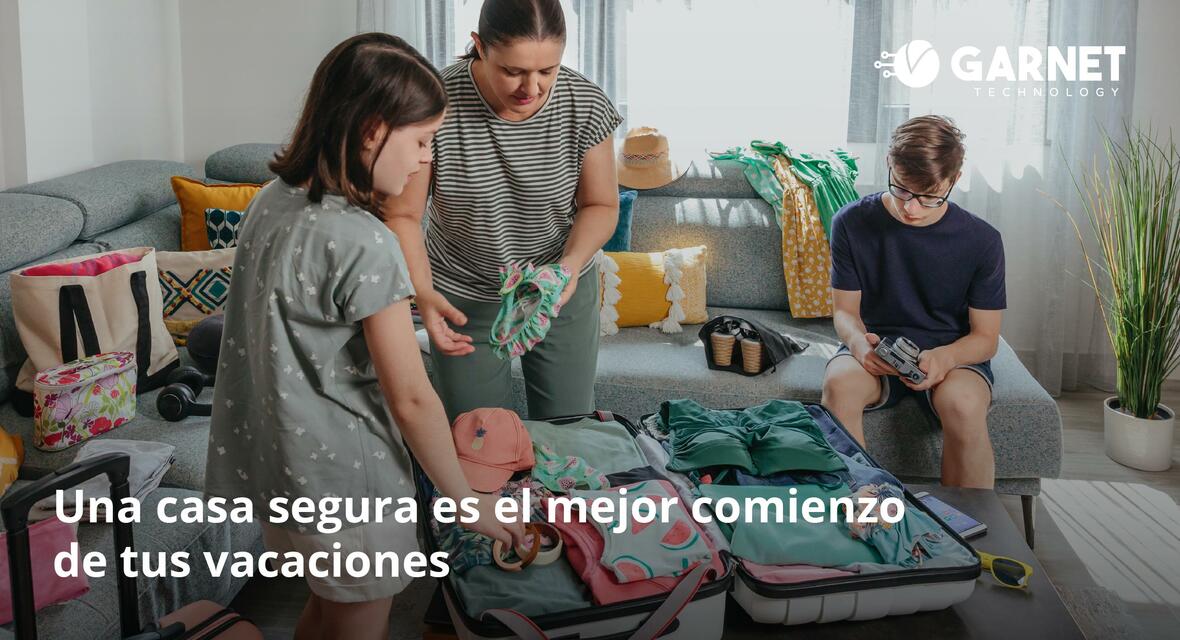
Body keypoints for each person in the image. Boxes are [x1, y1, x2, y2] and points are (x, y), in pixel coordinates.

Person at [205, 33, 523, 640]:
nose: (426, 160)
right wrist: (464, 500)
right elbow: (412, 396)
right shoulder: (364, 242)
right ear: (373, 130)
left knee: (326, 609)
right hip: (351, 485)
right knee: (355, 620)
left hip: (287, 475)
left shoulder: (272, 203)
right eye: (422, 141)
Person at [384, 0, 624, 420]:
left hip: (559, 291)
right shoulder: (435, 103)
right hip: (462, 294)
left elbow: (601, 205)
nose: (531, 88)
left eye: (547, 71)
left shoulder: (585, 104)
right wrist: (423, 294)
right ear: (479, 46)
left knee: (568, 428)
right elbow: (403, 214)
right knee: (479, 440)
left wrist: (567, 268)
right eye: (513, 71)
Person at [821, 115, 1006, 489]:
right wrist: (858, 343)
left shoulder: (982, 240)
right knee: (839, 386)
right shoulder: (851, 223)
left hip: (951, 355)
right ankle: (860, 514)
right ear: (890, 163)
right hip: (876, 347)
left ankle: (965, 532)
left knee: (964, 404)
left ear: (954, 180)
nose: (913, 208)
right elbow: (845, 312)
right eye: (902, 189)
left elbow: (986, 338)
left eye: (930, 195)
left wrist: (946, 357)